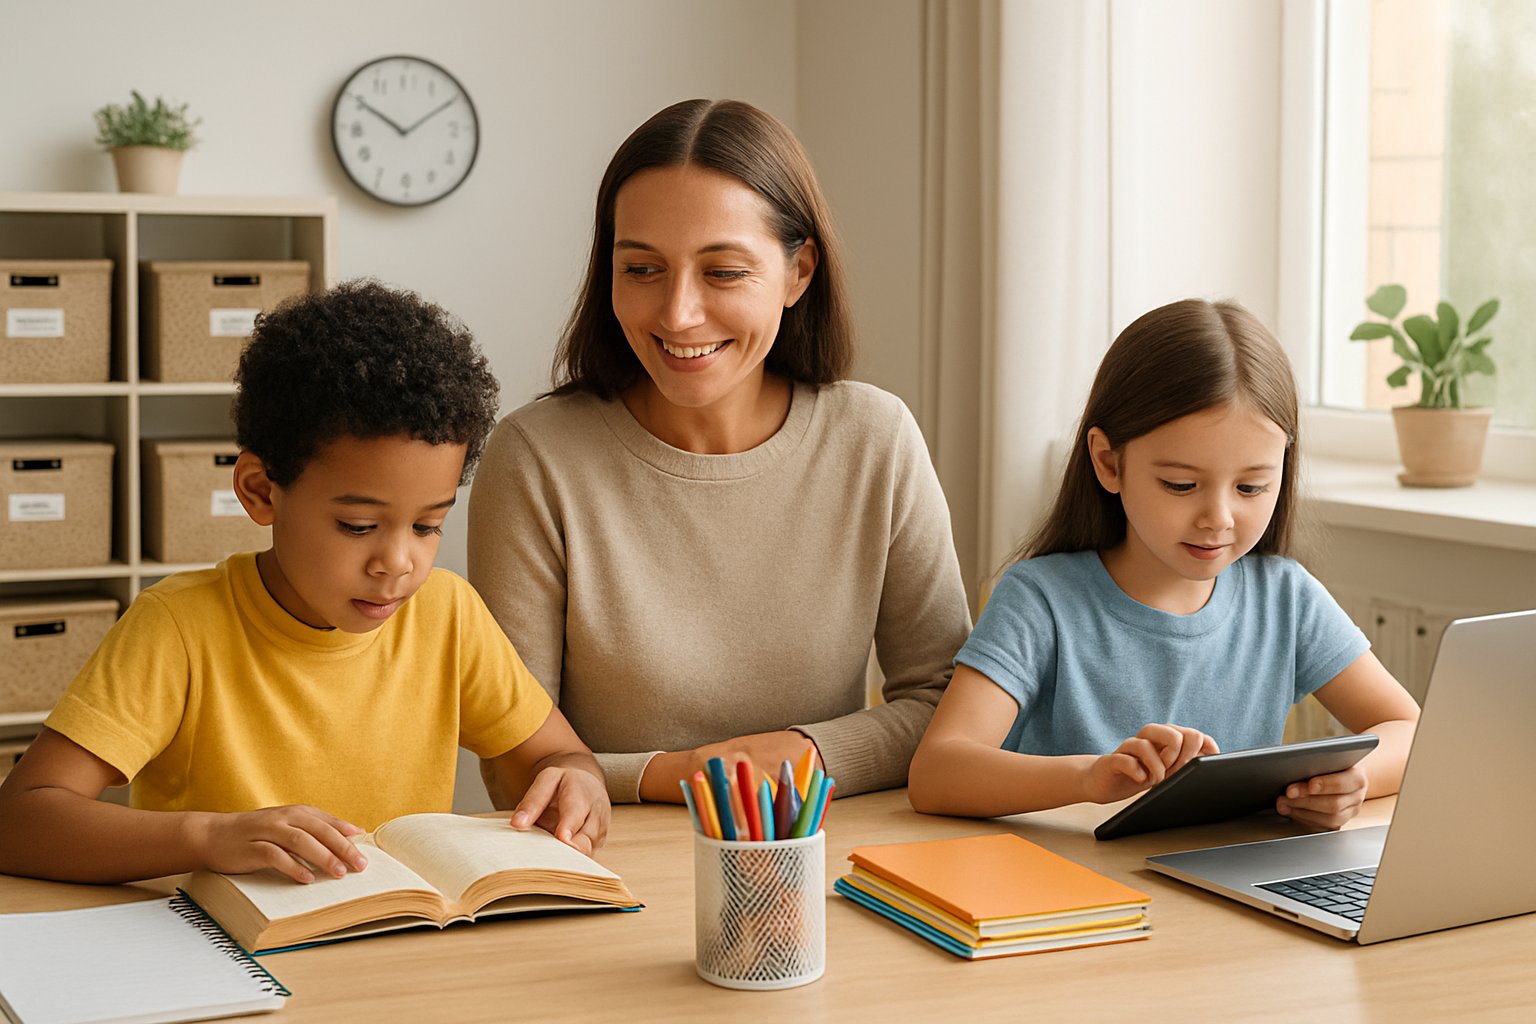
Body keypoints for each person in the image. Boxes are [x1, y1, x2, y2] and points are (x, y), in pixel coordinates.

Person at [0, 281, 610, 885]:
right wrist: (209, 837)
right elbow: (20, 820)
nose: (398, 562)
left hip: (396, 947)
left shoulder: (447, 614)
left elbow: (560, 754)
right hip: (230, 952)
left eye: (428, 525)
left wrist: (576, 778)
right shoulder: (179, 627)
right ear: (261, 492)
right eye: (358, 525)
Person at [468, 98, 972, 806]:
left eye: (724, 272)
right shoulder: (534, 458)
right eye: (641, 269)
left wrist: (807, 754)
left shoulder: (875, 438)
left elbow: (950, 707)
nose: (678, 314)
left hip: (822, 856)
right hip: (608, 869)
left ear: (799, 273)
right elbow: (511, 755)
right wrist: (700, 775)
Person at [908, 299, 1420, 829]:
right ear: (1109, 463)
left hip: (1218, 888)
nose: (1218, 518)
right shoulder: (1041, 600)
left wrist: (1358, 780)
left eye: (1251, 487)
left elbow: (1410, 727)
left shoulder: (1286, 597)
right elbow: (937, 772)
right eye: (1181, 485)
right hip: (1066, 893)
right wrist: (1088, 779)